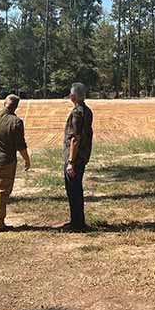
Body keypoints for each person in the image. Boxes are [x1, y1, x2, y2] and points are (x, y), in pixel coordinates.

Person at [0, 94, 30, 232]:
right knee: (2, 193)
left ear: (4, 104)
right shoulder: (16, 122)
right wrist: (26, 159)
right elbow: (21, 145)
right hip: (7, 162)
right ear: (16, 107)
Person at [61, 82, 93, 232]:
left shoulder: (77, 113)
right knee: (76, 190)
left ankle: (77, 224)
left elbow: (75, 138)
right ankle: (77, 221)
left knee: (73, 190)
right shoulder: (87, 111)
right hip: (83, 155)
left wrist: (70, 162)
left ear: (73, 96)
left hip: (75, 158)